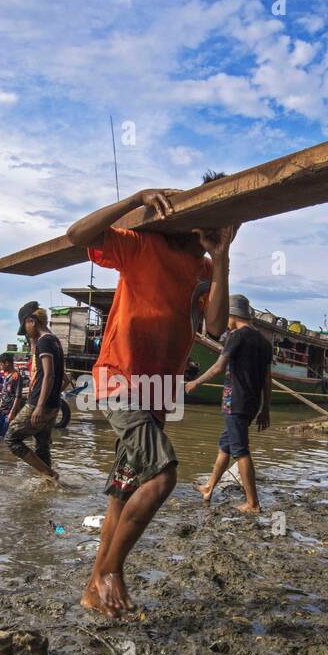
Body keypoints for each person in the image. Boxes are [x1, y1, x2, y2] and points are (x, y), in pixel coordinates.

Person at [64, 173, 236, 619]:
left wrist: (222, 256)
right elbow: (76, 235)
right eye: (215, 224)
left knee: (124, 492)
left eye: (229, 227)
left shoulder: (202, 269)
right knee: (162, 478)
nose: (220, 233)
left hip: (157, 393)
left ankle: (91, 590)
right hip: (118, 380)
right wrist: (135, 198)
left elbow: (215, 327)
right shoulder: (141, 246)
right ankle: (112, 573)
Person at [187, 294, 273, 513]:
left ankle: (253, 503)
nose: (226, 321)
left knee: (241, 451)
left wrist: (195, 382)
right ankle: (209, 487)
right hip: (252, 404)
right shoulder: (264, 341)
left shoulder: (237, 336)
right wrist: (266, 409)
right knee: (225, 446)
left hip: (235, 402)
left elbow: (218, 367)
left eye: (227, 316)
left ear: (233, 315)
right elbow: (267, 378)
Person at [2, 302, 62, 480]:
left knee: (11, 438)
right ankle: (49, 484)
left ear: (32, 321)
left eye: (26, 326)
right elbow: (58, 377)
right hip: (54, 404)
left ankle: (49, 474)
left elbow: (49, 375)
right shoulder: (54, 340)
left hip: (39, 403)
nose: (27, 332)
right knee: (42, 445)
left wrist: (39, 406)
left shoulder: (44, 341)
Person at [0, 352, 23, 438]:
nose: (0, 367)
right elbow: (3, 396)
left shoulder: (16, 376)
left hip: (10, 412)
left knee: (8, 438)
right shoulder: (6, 376)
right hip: (3, 412)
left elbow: (18, 396)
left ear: (6, 363)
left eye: (0, 364)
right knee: (2, 436)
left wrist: (12, 413)